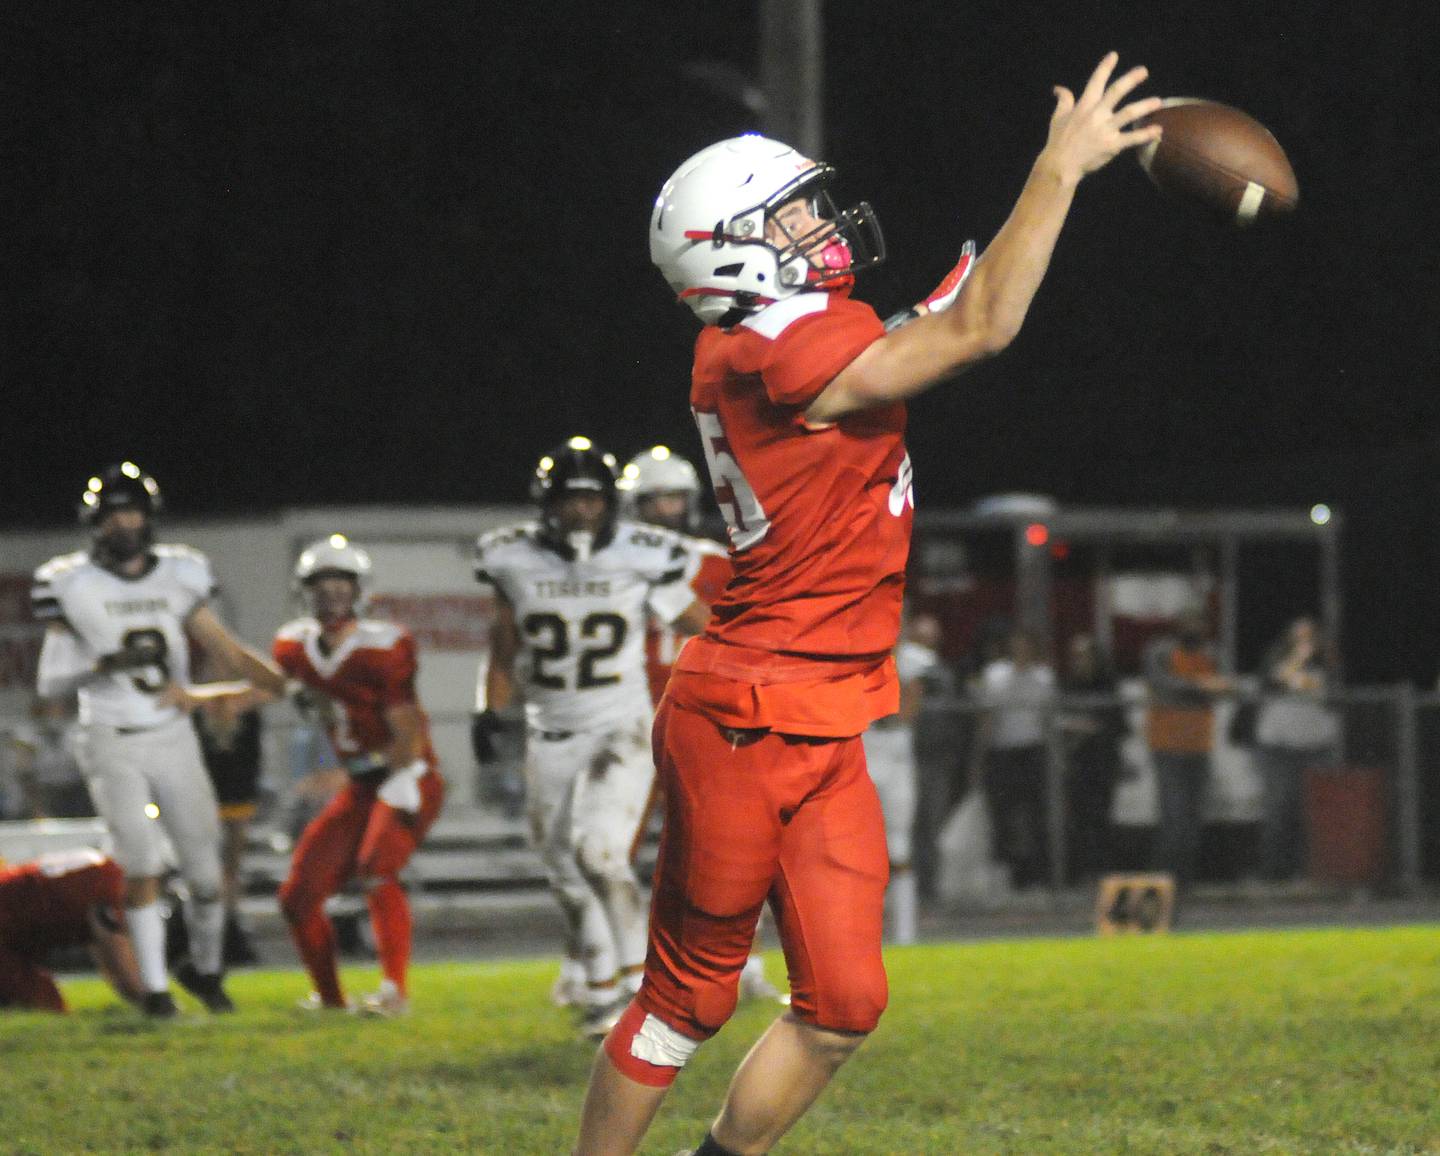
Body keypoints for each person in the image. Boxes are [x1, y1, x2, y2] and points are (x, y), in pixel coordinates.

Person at [576, 53, 1164, 1156]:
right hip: (745, 716)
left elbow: (948, 308)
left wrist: (998, 243)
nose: (819, 226)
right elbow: (980, 328)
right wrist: (1058, 171)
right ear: (733, 253)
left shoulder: (784, 333)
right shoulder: (773, 346)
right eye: (790, 218)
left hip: (825, 708)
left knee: (844, 1005)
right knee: (685, 1000)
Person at [31, 462, 288, 1017]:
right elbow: (50, 682)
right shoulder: (69, 580)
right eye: (114, 514)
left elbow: (220, 646)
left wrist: (267, 679)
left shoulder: (180, 573)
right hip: (109, 735)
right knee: (141, 861)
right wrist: (102, 662)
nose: (124, 523)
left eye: (133, 511)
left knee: (205, 875)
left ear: (149, 518)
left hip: (173, 735)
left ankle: (207, 970)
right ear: (94, 524)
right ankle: (155, 992)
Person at [474, 438, 710, 1038]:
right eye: (570, 501)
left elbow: (699, 620)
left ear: (610, 503)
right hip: (548, 732)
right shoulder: (511, 558)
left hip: (622, 727)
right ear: (546, 505)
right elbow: (503, 647)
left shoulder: (642, 552)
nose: (582, 513)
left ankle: (643, 993)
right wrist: (488, 710)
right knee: (566, 873)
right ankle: (604, 991)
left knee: (601, 853)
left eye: (591, 501)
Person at [621, 444, 784, 1000]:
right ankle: (604, 967)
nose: (666, 509)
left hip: (701, 715)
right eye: (654, 499)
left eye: (673, 498)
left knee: (727, 846)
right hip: (626, 718)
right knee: (609, 849)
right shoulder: (612, 563)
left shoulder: (717, 560)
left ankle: (746, 964)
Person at [266, 535, 446, 1016]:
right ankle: (329, 999)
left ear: (359, 590)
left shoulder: (383, 645)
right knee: (297, 897)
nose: (330, 594)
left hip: (409, 775)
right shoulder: (293, 646)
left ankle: (394, 993)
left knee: (376, 868)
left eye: (341, 584)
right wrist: (201, 697)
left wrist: (369, 775)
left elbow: (405, 735)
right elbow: (261, 685)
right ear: (304, 590)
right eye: (321, 584)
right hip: (364, 785)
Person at [861, 613, 942, 944]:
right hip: (864, 753)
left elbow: (907, 709)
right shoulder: (856, 655)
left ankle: (905, 934)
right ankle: (864, 930)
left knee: (899, 845)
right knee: (861, 847)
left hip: (895, 756)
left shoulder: (910, 660)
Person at [1142, 609, 1232, 889]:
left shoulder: (1211, 654)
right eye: (1189, 622)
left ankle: (1185, 883)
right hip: (1167, 746)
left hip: (1198, 746)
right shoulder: (1161, 650)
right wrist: (1200, 687)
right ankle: (1162, 883)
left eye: (1200, 623)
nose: (1195, 628)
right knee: (1174, 819)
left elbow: (1224, 686)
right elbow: (1160, 684)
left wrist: (1201, 688)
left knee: (1192, 821)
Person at [0, 848, 146, 1013]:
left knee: (45, 1002)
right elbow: (117, 957)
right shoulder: (108, 884)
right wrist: (154, 998)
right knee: (48, 1008)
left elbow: (110, 959)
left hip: (12, 930)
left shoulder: (100, 870)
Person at [970, 628, 1058, 890]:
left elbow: (1048, 719)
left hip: (1033, 752)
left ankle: (1037, 875)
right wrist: (979, 755)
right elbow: (986, 718)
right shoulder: (995, 675)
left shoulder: (1044, 678)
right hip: (1003, 752)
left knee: (1035, 814)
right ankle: (1004, 875)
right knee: (1003, 815)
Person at [1253, 616, 1339, 881]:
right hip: (1279, 746)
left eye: (1310, 636)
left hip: (1315, 746)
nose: (1306, 641)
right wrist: (1298, 657)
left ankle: (1311, 872)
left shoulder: (1326, 665)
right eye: (1299, 636)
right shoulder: (1279, 660)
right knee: (1279, 808)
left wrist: (1321, 658)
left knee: (1314, 810)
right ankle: (1274, 873)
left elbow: (1333, 695)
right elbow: (1273, 681)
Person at [191, 671, 265, 966]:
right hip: (209, 804)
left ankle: (230, 921)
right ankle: (210, 924)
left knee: (230, 868)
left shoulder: (247, 725)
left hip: (236, 804)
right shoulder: (200, 727)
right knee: (210, 867)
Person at [1058, 632, 1127, 882]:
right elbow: (1059, 722)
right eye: (1075, 657)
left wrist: (1089, 726)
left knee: (1101, 819)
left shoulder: (1107, 685)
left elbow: (1119, 725)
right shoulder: (1068, 686)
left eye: (1084, 656)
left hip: (1101, 763)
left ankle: (1102, 873)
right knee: (1077, 820)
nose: (1079, 662)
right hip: (1076, 763)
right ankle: (1079, 875)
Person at [8, 695, 93, 819]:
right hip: (45, 789)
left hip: (76, 788)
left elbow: (89, 764)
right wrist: (35, 806)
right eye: (49, 707)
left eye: (58, 707)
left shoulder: (77, 728)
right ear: (39, 710)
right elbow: (23, 771)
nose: (55, 711)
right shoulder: (26, 732)